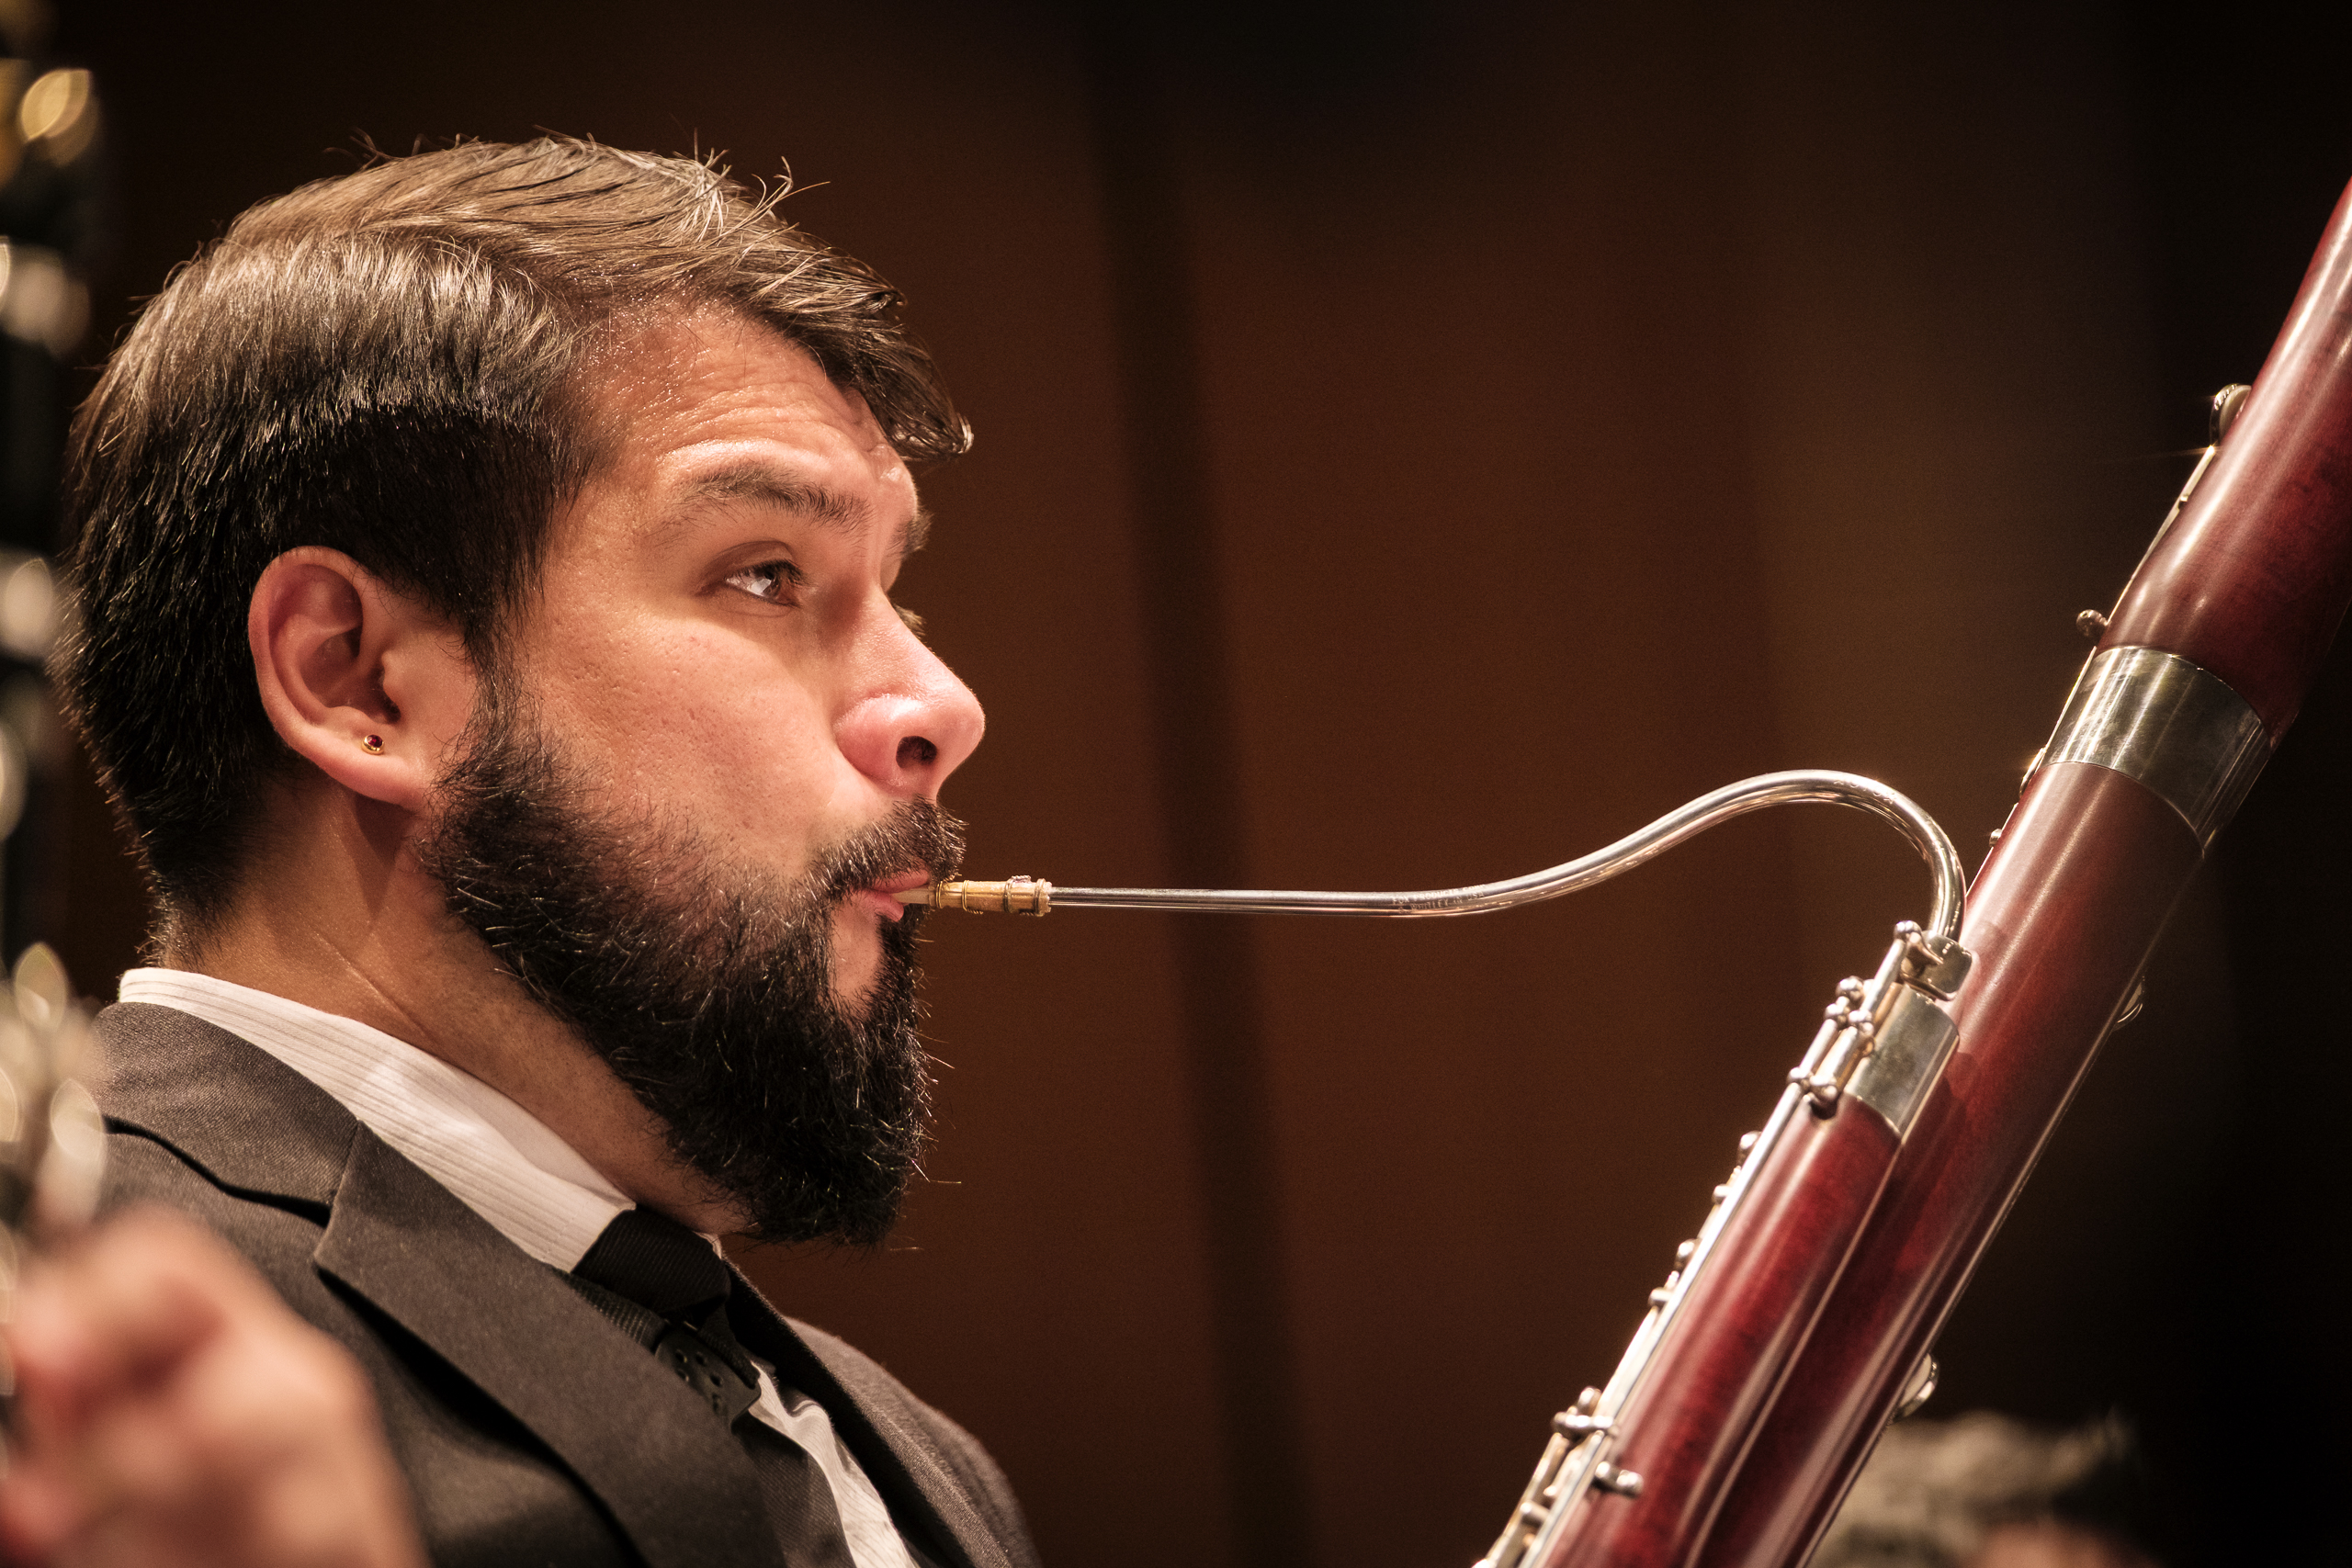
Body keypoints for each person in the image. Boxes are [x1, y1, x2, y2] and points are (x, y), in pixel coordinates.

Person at [0, 137, 1034, 1568]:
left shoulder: (923, 1460)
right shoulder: (60, 1341)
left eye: (894, 591)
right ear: (359, 681)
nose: (942, 706)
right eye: (767, 574)